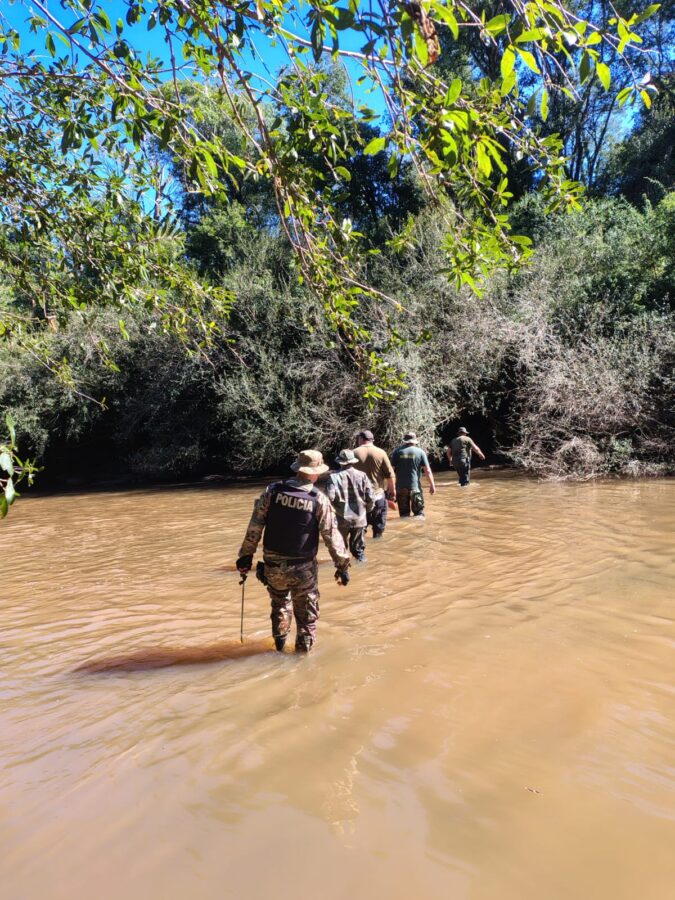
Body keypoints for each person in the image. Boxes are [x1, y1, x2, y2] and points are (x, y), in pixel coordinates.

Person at [236, 449, 351, 653]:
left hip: (273, 566)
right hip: (303, 568)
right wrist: (342, 566)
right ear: (315, 473)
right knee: (306, 616)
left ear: (298, 469)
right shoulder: (318, 499)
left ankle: (278, 648)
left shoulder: (273, 491)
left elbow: (255, 525)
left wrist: (246, 556)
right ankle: (302, 659)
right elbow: (331, 536)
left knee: (279, 605)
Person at [326, 449, 375, 562]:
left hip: (341, 519)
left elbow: (329, 498)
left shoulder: (333, 477)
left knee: (341, 552)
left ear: (339, 462)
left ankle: (344, 571)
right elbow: (371, 497)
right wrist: (366, 511)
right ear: (353, 461)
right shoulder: (363, 476)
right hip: (360, 518)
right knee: (359, 552)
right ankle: (363, 571)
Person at [353, 429, 396, 539]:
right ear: (372, 440)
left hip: (359, 498)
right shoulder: (381, 453)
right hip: (378, 496)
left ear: (361, 439)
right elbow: (390, 475)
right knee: (379, 530)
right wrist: (392, 491)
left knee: (359, 532)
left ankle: (360, 554)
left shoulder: (354, 453)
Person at [391, 431, 436, 517]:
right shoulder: (420, 452)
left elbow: (391, 471)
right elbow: (428, 470)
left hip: (400, 488)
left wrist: (391, 488)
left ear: (405, 440)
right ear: (414, 441)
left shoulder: (397, 452)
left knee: (404, 515)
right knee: (419, 514)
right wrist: (432, 485)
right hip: (415, 488)